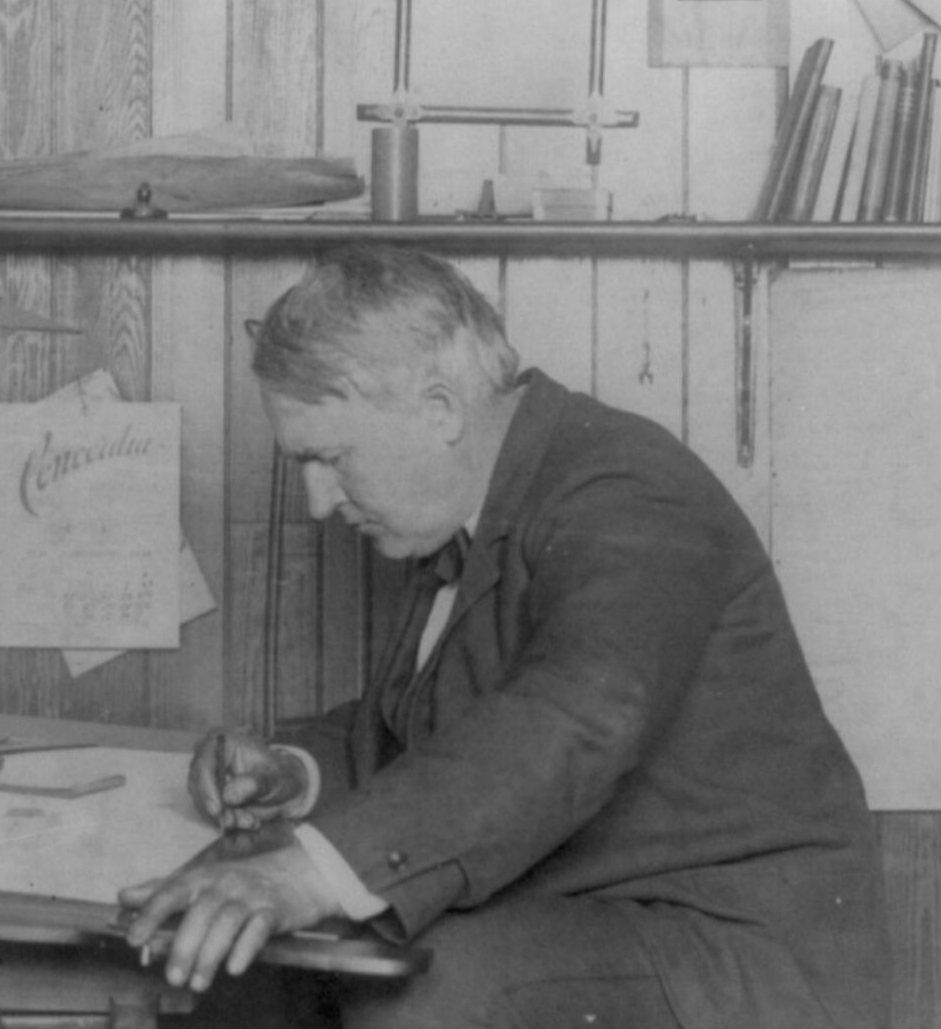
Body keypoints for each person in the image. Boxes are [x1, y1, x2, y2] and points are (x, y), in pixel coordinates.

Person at [119, 244, 887, 1029]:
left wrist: (313, 872)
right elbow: (433, 737)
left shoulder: (627, 488)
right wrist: (295, 771)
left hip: (730, 951)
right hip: (596, 914)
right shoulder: (476, 513)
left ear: (441, 408)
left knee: (417, 993)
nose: (319, 501)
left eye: (331, 458)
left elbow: (573, 717)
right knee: (248, 976)